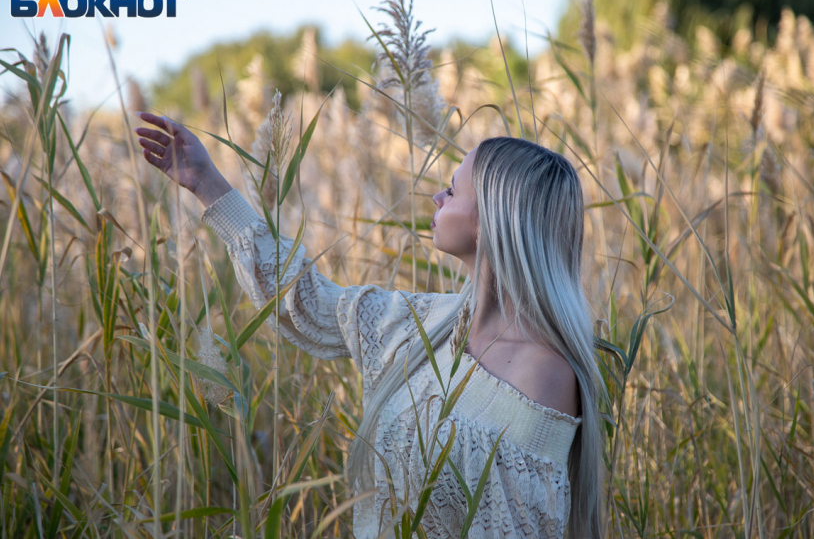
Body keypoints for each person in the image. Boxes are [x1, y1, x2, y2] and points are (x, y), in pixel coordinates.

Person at [135, 111, 606, 539]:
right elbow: (306, 303)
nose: (436, 195)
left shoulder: (543, 373)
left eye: (454, 189)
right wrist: (206, 183)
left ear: (492, 222)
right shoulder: (426, 323)